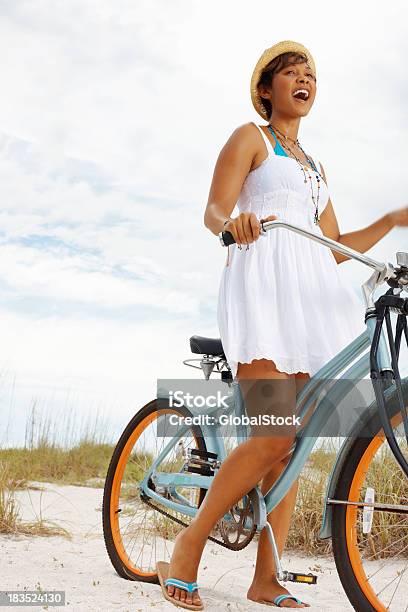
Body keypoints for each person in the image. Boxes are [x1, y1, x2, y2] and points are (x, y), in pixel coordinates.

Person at [156, 40, 408, 610]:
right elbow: (213, 209)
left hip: (310, 300)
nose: (304, 79)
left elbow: (335, 248)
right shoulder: (251, 138)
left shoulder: (315, 168)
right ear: (266, 89)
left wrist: (392, 221)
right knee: (271, 432)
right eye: (292, 73)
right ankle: (189, 545)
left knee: (293, 445)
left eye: (311, 74)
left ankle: (266, 577)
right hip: (262, 291)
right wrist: (235, 221)